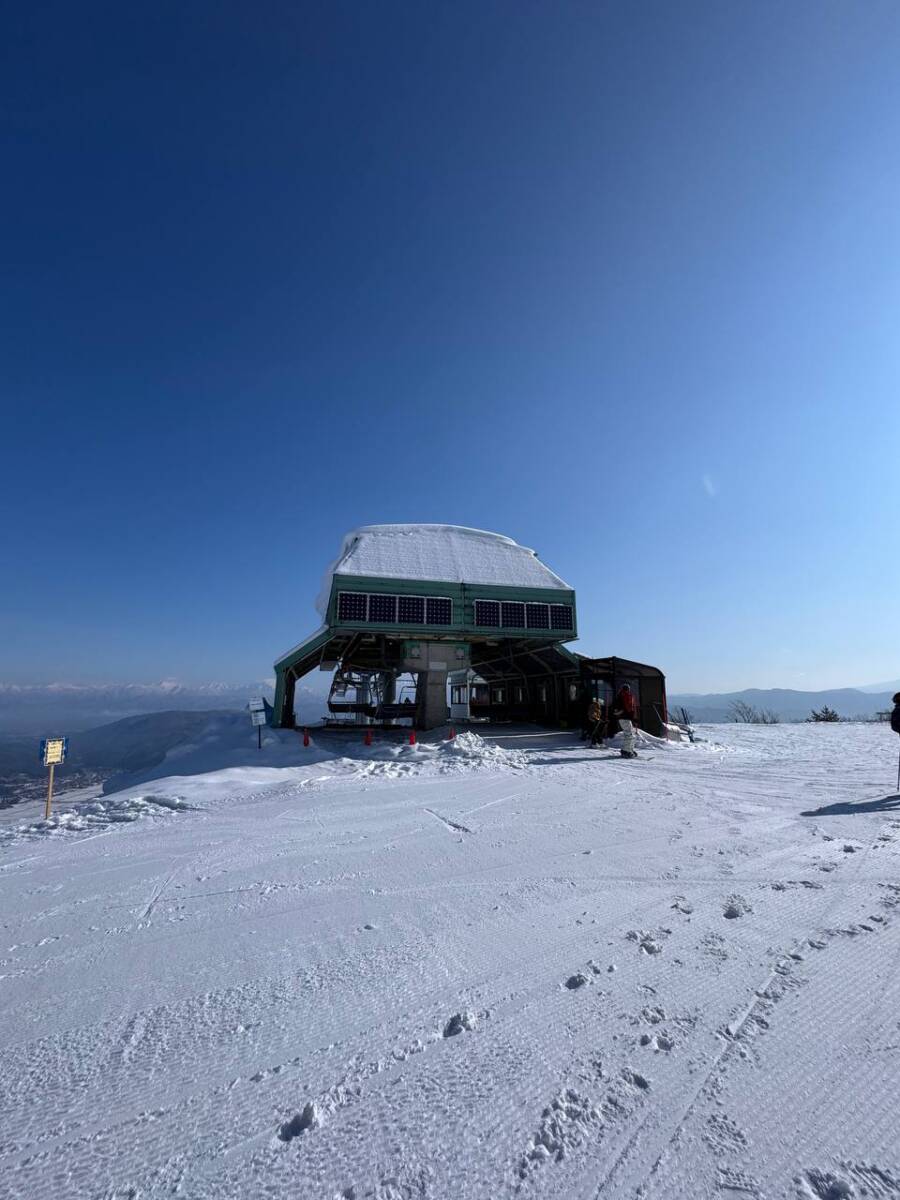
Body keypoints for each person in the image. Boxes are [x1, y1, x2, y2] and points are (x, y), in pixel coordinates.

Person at [612, 684, 638, 759]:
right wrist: (633, 718)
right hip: (625, 718)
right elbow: (627, 710)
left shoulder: (620, 696)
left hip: (623, 718)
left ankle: (628, 749)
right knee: (629, 734)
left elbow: (620, 709)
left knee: (630, 734)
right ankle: (626, 751)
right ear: (628, 689)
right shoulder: (624, 697)